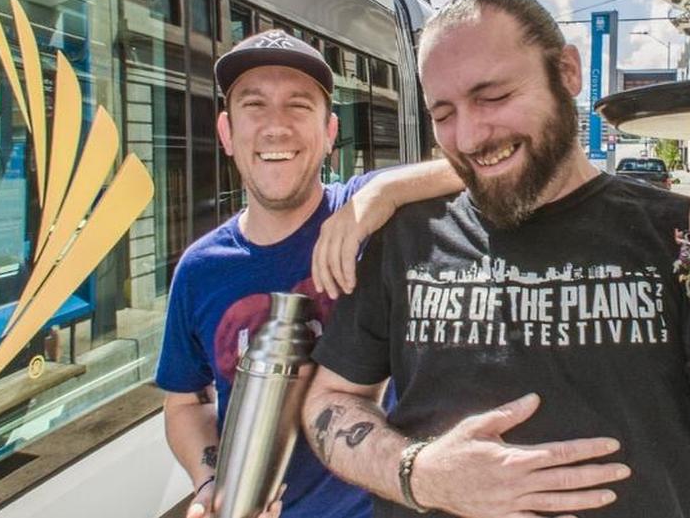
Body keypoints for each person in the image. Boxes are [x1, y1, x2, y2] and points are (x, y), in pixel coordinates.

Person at [300, 0, 690, 518]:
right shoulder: (407, 237)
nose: (471, 136)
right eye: (444, 114)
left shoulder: (682, 235)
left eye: (494, 95)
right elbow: (331, 401)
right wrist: (420, 474)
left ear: (568, 71)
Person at [155, 29, 462, 518]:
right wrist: (209, 481)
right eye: (254, 105)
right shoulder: (200, 269)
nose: (276, 127)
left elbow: (476, 164)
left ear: (329, 133)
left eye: (298, 106)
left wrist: (379, 196)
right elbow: (185, 404)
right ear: (227, 134)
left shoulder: (370, 215)